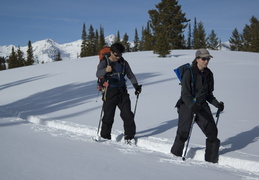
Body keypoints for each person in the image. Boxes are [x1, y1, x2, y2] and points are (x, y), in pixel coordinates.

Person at [171, 49, 224, 163]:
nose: (206, 61)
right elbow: (185, 94)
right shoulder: (189, 73)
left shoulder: (209, 74)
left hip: (202, 105)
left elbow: (209, 94)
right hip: (187, 105)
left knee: (212, 132)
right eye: (203, 59)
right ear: (197, 59)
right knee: (183, 133)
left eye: (208, 59)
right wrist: (192, 106)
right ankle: (175, 157)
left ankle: (211, 161)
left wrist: (217, 104)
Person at [96, 42, 142, 143]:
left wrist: (136, 87)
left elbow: (130, 75)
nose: (118, 57)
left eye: (120, 55)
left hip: (122, 91)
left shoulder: (123, 63)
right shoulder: (105, 62)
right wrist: (105, 70)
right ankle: (105, 137)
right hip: (109, 91)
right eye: (116, 55)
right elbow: (98, 73)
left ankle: (129, 137)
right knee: (108, 116)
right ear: (111, 52)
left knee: (128, 115)